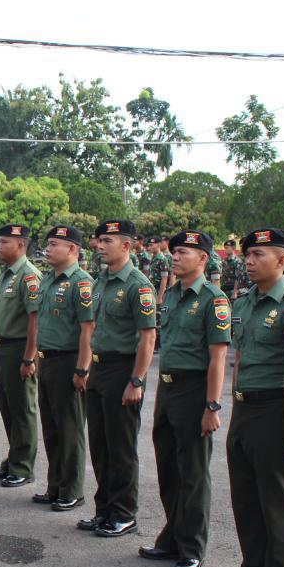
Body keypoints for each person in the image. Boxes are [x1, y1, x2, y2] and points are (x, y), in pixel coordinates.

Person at [216, 227, 284, 567]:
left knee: (277, 504)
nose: (249, 261)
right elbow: (239, 360)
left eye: (259, 254)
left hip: (275, 410)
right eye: (247, 255)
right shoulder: (244, 303)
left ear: (282, 259)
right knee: (247, 501)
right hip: (245, 410)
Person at [140, 231, 230, 567]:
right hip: (168, 388)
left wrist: (212, 406)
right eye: (174, 251)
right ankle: (172, 537)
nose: (175, 257)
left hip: (194, 390)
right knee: (168, 467)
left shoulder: (213, 299)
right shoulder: (173, 295)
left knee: (193, 473)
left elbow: (218, 358)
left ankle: (192, 546)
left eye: (183, 252)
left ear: (203, 259)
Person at [76, 219, 157, 538]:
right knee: (100, 445)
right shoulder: (102, 281)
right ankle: (104, 510)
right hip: (99, 368)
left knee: (121, 447)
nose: (100, 245)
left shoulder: (138, 285)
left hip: (123, 369)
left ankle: (124, 513)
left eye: (107, 241)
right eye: (99, 240)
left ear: (127, 245)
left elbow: (148, 338)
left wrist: (136, 381)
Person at [30, 225, 96, 511]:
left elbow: (88, 329)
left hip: (68, 360)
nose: (48, 249)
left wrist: (82, 369)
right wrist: (35, 357)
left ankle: (72, 490)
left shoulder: (81, 283)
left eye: (54, 244)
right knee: (51, 428)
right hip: (47, 360)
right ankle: (55, 485)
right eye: (48, 244)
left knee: (70, 429)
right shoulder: (48, 279)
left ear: (72, 249)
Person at [0, 224, 42, 488]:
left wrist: (29, 358)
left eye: (4, 241)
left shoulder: (28, 276)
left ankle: (23, 467)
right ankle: (13, 460)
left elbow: (35, 321)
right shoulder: (6, 273)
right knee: (8, 408)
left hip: (20, 349)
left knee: (22, 410)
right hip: (3, 348)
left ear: (20, 245)